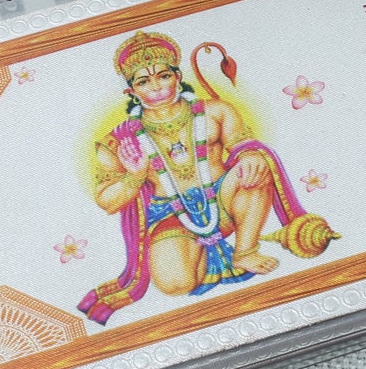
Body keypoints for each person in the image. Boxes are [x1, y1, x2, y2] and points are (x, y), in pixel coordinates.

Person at [79, 31, 307, 325]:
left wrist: (250, 154)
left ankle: (244, 250)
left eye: (163, 76)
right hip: (171, 217)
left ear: (177, 76)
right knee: (176, 284)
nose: (156, 87)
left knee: (256, 163)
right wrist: (135, 176)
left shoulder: (216, 112)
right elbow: (107, 201)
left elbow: (242, 144)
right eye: (143, 82)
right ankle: (195, 253)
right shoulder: (118, 142)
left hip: (225, 202)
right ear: (131, 91)